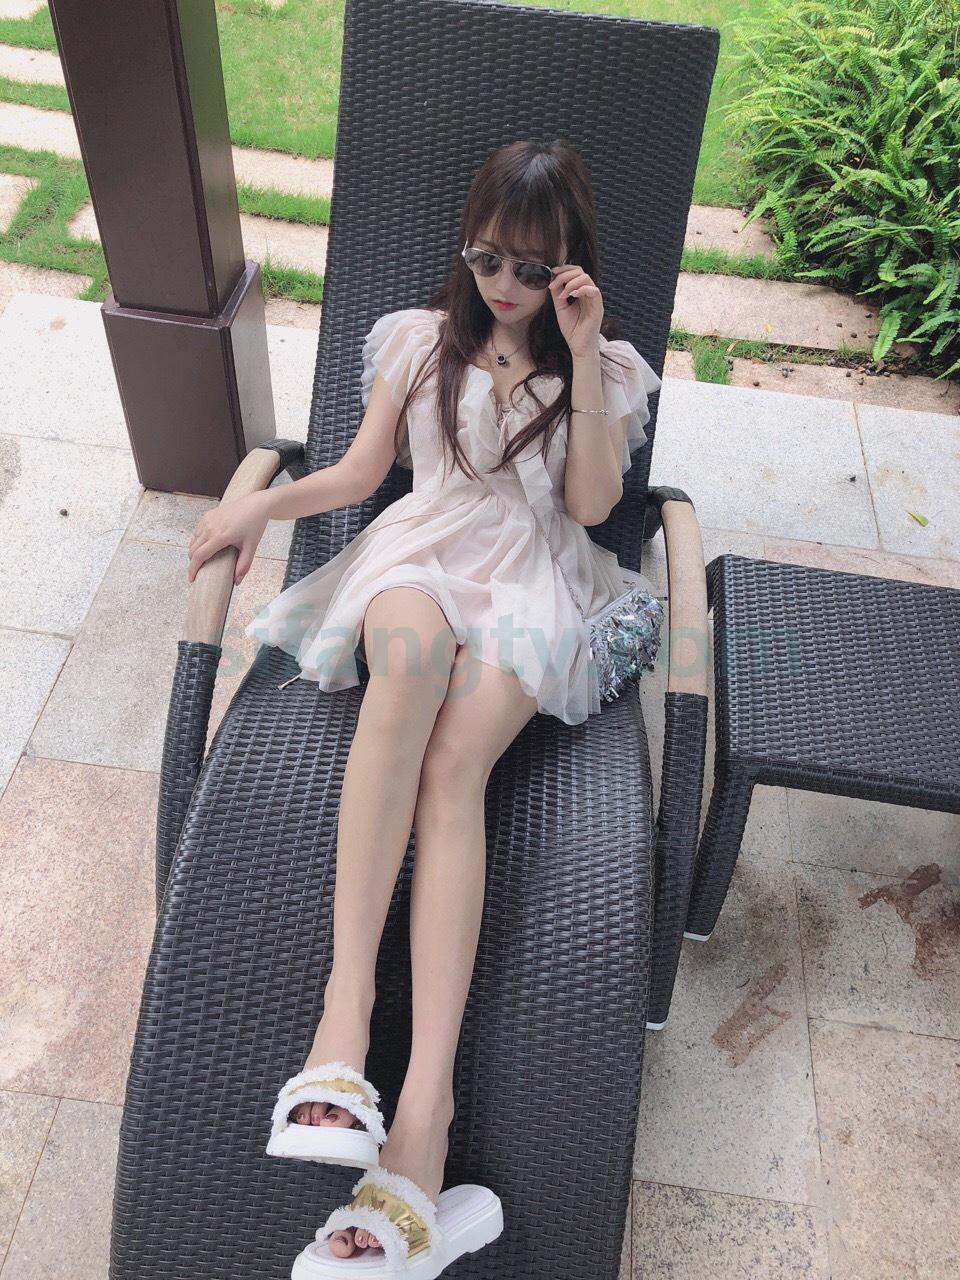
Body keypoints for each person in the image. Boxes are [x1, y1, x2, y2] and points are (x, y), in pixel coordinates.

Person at [186, 139, 661, 1273]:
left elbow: (593, 505)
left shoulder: (604, 367)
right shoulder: (419, 339)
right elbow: (360, 475)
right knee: (404, 677)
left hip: (535, 577)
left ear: (571, 265)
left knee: (456, 771)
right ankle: (342, 1024)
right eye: (488, 258)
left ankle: (424, 1116)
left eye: (532, 268)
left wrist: (581, 353)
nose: (504, 285)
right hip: (422, 551)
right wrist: (257, 509)